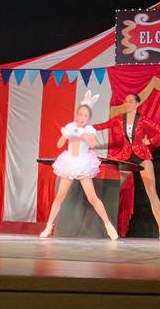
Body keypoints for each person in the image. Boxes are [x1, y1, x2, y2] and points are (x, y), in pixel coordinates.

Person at [41, 91, 119, 240]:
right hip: (69, 163)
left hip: (83, 163)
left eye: (85, 116)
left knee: (92, 198)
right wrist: (65, 135)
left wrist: (83, 135)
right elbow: (58, 145)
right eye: (80, 114)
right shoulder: (70, 127)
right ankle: (48, 227)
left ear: (89, 118)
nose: (82, 118)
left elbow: (93, 144)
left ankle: (109, 226)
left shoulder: (88, 130)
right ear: (76, 115)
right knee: (59, 197)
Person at [93, 92, 160, 239]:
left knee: (151, 192)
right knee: (115, 190)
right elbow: (103, 125)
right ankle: (107, 227)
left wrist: (150, 141)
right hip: (127, 157)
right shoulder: (120, 119)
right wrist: (83, 127)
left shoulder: (143, 120)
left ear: (137, 103)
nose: (127, 103)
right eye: (126, 101)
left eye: (131, 101)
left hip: (142, 156)